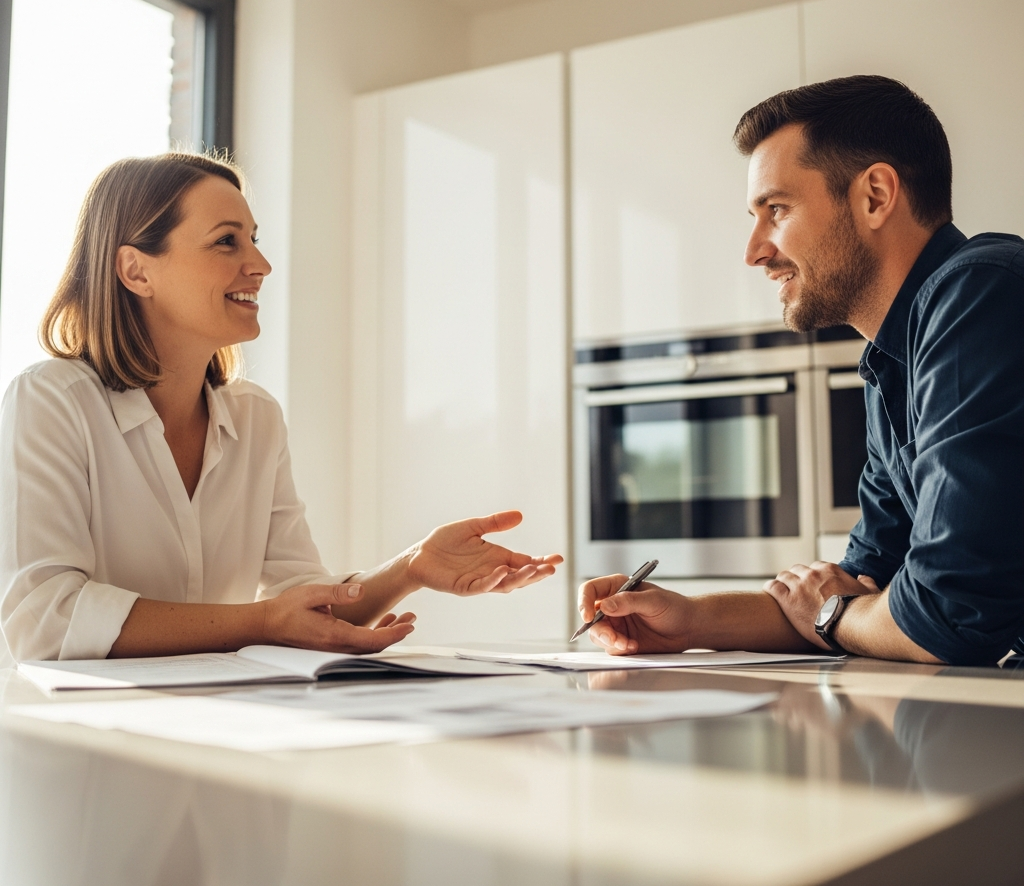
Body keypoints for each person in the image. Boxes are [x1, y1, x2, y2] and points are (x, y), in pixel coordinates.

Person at [0, 153, 562, 661]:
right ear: (136, 270)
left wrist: (411, 568)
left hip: (218, 729)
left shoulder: (254, 416)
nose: (261, 264)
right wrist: (263, 620)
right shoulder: (51, 401)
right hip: (78, 741)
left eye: (254, 239)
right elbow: (45, 620)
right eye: (227, 241)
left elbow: (303, 610)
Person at [580, 75, 1023, 667]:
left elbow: (943, 616)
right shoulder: (888, 363)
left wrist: (835, 612)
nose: (754, 251)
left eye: (777, 210)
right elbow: (864, 586)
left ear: (874, 195)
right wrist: (690, 620)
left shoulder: (978, 293)